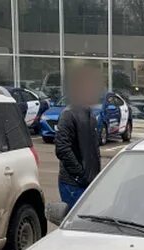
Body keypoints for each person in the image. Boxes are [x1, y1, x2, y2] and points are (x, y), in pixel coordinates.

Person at [55, 66, 102, 209]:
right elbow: (62, 149)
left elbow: (93, 149)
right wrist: (80, 175)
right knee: (75, 225)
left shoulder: (91, 115)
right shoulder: (68, 114)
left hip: (90, 183)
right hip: (73, 185)